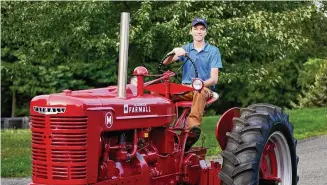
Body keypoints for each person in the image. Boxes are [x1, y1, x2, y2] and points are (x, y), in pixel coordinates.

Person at [163, 17, 223, 150]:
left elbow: (214, 79)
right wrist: (174, 51)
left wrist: (200, 84)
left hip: (203, 88)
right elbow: (166, 62)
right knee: (160, 92)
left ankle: (192, 131)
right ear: (191, 31)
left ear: (206, 32)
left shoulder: (213, 51)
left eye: (202, 29)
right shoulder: (186, 49)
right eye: (196, 29)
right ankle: (160, 129)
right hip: (184, 89)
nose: (199, 31)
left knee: (199, 92)